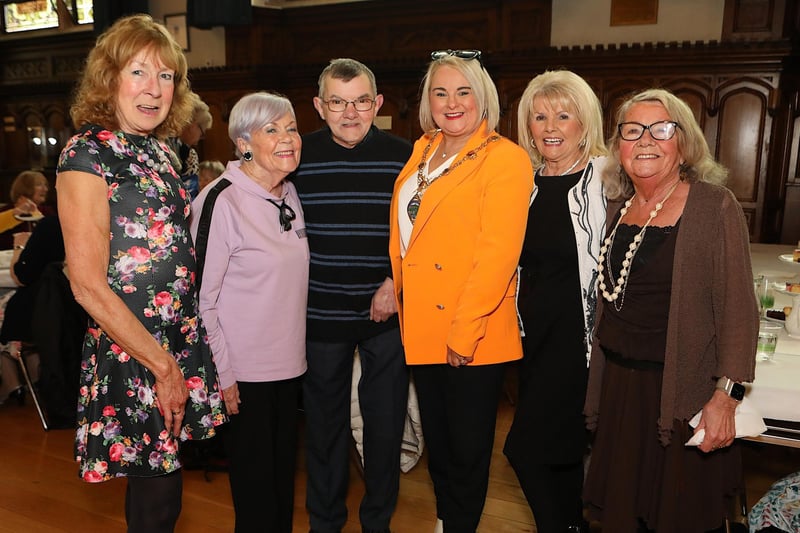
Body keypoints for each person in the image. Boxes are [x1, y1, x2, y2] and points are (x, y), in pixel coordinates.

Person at [55, 14, 226, 532]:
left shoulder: (163, 152)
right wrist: (162, 366)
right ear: (110, 80)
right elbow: (85, 284)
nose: (154, 89)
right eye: (139, 73)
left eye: (166, 76)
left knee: (163, 495)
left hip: (175, 339)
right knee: (158, 498)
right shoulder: (86, 154)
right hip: (132, 346)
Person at [582, 88, 758, 532]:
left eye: (660, 129)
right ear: (617, 146)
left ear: (684, 144)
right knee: (626, 516)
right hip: (622, 391)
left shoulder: (713, 206)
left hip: (679, 395)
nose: (645, 140)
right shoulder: (620, 209)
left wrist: (726, 398)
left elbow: (739, 311)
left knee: (677, 518)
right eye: (632, 130)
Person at [389, 50, 533, 533]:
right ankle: (447, 522)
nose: (452, 103)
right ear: (428, 100)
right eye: (440, 92)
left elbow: (498, 255)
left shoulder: (506, 159)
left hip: (470, 331)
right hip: (422, 326)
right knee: (442, 449)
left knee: (468, 452)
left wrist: (464, 330)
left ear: (483, 96)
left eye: (463, 91)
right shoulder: (423, 149)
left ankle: (459, 525)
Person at [293, 57, 412, 533]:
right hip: (319, 314)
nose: (350, 113)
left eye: (361, 101)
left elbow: (418, 233)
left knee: (384, 427)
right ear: (320, 106)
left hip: (386, 313)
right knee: (324, 430)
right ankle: (325, 522)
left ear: (377, 103)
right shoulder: (296, 155)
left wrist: (395, 282)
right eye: (338, 103)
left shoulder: (405, 156)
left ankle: (377, 522)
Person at [190, 91, 308, 533]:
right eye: (271, 130)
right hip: (242, 374)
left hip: (288, 367)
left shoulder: (289, 193)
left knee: (280, 490)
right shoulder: (220, 201)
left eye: (292, 128)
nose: (287, 139)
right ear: (243, 143)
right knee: (256, 498)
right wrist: (223, 373)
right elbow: (200, 299)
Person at [502, 70, 608, 533]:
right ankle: (572, 524)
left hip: (580, 342)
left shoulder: (607, 179)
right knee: (561, 451)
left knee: (523, 451)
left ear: (584, 123)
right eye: (540, 116)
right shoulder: (519, 182)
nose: (550, 126)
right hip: (531, 341)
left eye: (563, 115)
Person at [168, 92, 212, 199]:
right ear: (193, 125)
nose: (198, 141)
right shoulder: (189, 154)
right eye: (201, 133)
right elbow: (191, 197)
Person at [0, 170, 50, 249]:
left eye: (45, 185)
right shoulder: (6, 211)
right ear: (25, 188)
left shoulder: (47, 211)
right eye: (39, 185)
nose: (45, 189)